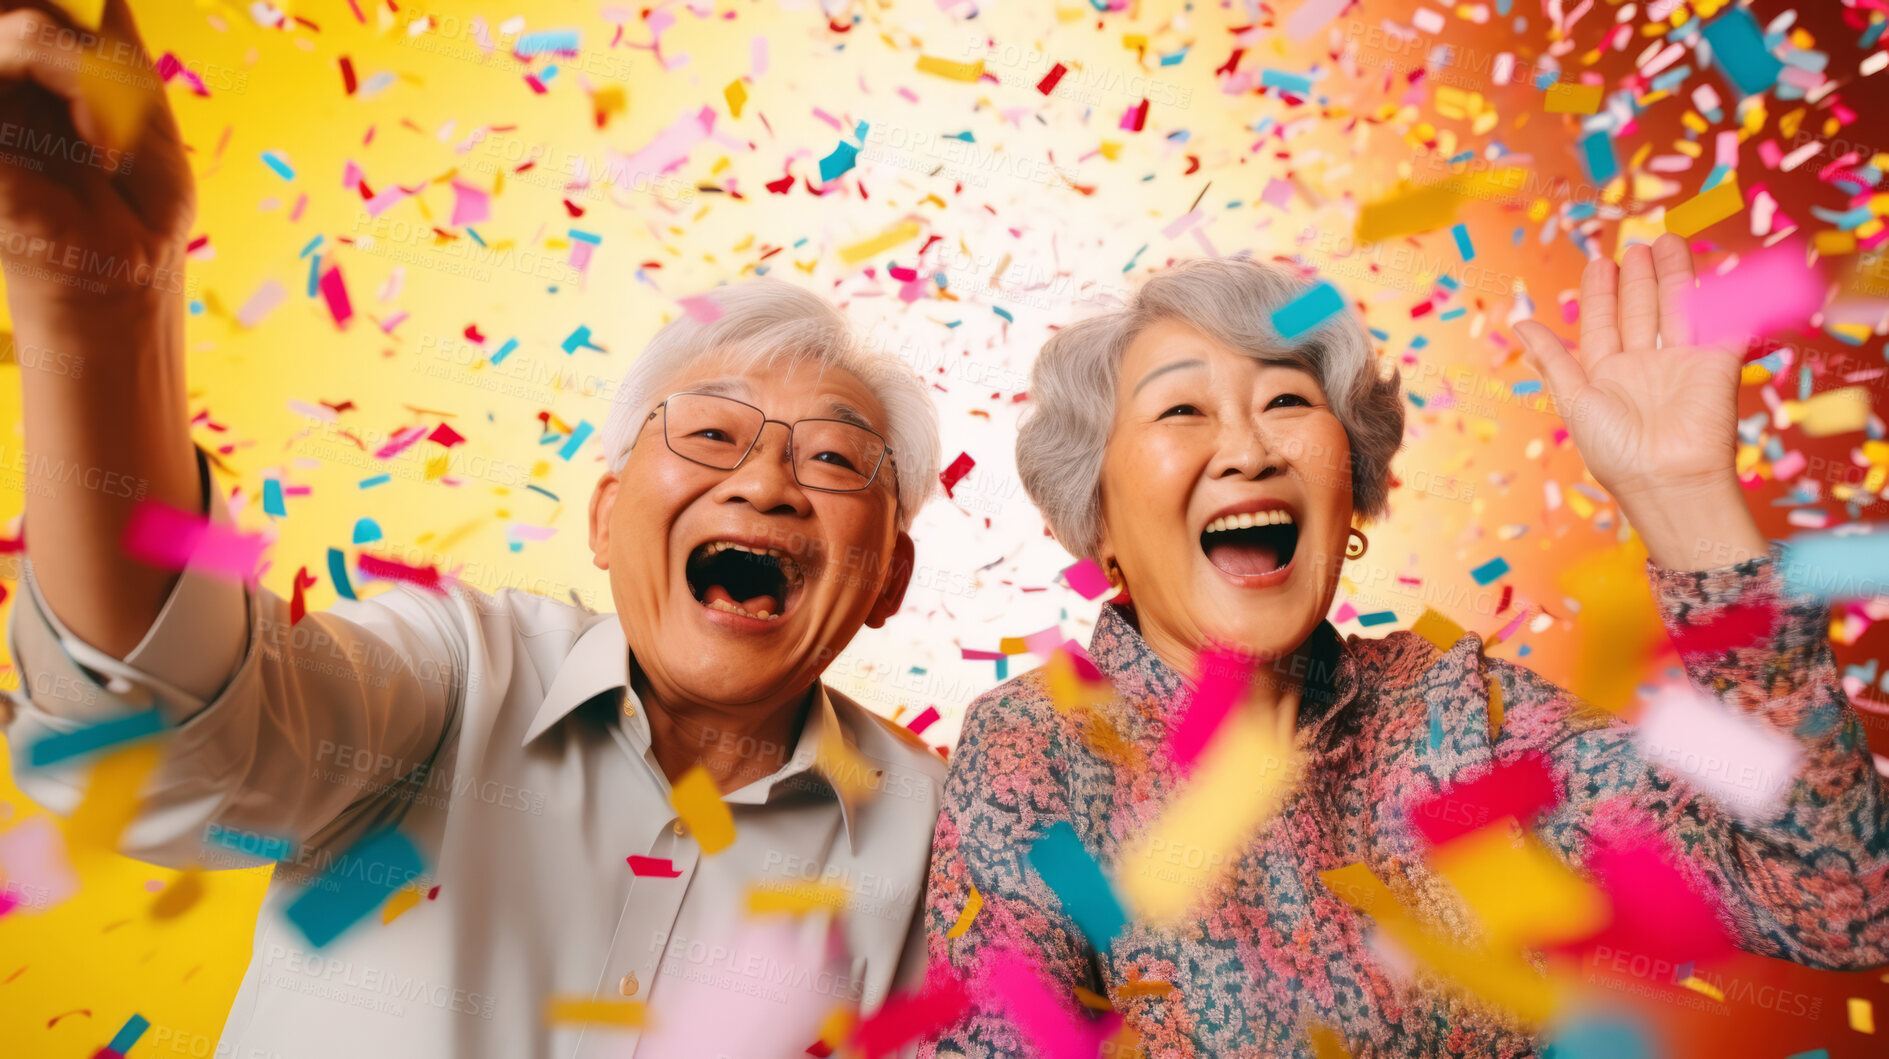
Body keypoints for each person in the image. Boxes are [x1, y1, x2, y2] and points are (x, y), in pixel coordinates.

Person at [0, 4, 946, 1056]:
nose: (765, 482)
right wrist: (105, 310)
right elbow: (164, 745)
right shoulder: (451, 677)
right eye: (712, 431)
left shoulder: (943, 845)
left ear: (889, 577)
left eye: (830, 457)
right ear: (602, 516)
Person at [919, 246, 1889, 1056]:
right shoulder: (1033, 751)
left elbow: (1837, 893)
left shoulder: (1459, 713)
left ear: (1351, 494)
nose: (1249, 451)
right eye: (1180, 412)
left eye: (1287, 403)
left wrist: (1683, 505)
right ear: (1101, 527)